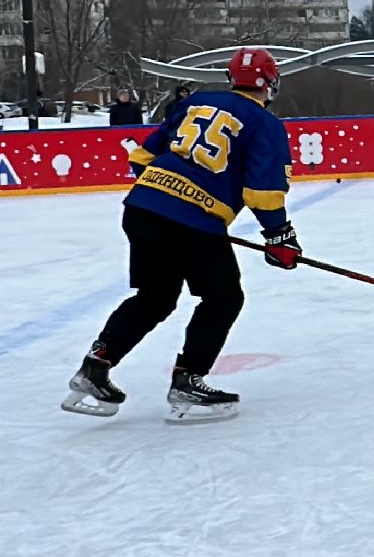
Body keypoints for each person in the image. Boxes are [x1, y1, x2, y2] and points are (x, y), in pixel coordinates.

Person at [61, 46, 299, 424]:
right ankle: (187, 381)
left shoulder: (196, 103)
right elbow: (264, 193)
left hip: (142, 207)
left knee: (154, 297)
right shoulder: (264, 123)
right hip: (191, 223)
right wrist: (280, 237)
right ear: (271, 84)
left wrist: (169, 201)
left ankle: (94, 368)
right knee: (223, 298)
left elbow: (141, 158)